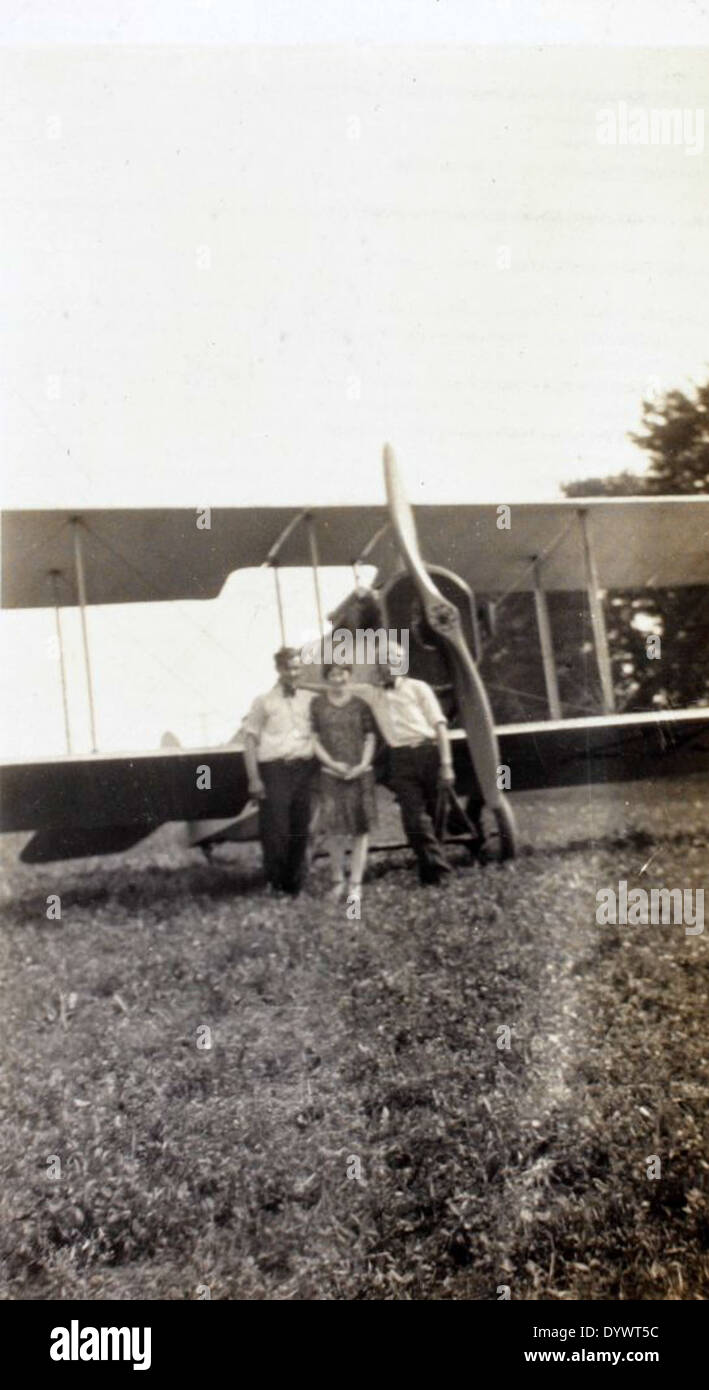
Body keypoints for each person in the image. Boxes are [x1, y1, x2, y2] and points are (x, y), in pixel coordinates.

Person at [364, 659, 455, 885]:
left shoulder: (418, 688)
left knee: (435, 817)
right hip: (400, 758)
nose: (387, 667)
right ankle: (442, 876)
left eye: (392, 661)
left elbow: (439, 726)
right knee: (413, 819)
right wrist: (299, 684)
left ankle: (429, 873)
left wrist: (446, 764)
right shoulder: (372, 694)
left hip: (429, 753)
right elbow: (337, 687)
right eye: (382, 663)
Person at [243, 647, 316, 895]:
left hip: (303, 769)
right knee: (276, 829)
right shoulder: (263, 702)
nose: (293, 673)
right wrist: (254, 779)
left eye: (297, 667)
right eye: (288, 668)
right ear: (278, 670)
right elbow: (250, 741)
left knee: (300, 826)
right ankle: (275, 883)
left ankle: (294, 884)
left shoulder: (309, 699)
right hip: (275, 770)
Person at [310, 663, 377, 903]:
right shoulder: (317, 705)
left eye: (342, 673)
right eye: (332, 674)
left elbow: (370, 736)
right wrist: (332, 764)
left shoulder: (361, 705)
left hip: (360, 773)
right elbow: (314, 739)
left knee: (360, 830)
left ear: (349, 675)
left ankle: (356, 885)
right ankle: (338, 880)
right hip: (331, 774)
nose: (338, 678)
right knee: (334, 829)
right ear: (326, 678)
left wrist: (362, 764)